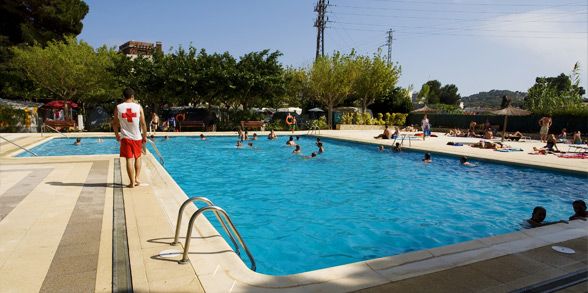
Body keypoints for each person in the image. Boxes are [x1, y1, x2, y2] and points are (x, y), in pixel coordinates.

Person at [113, 88, 148, 188]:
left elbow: (115, 123)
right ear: (132, 96)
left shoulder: (118, 107)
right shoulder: (138, 107)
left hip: (125, 137)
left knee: (129, 159)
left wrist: (116, 135)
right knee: (138, 157)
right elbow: (143, 123)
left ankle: (131, 182)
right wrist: (144, 136)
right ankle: (137, 178)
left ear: (123, 96)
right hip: (137, 137)